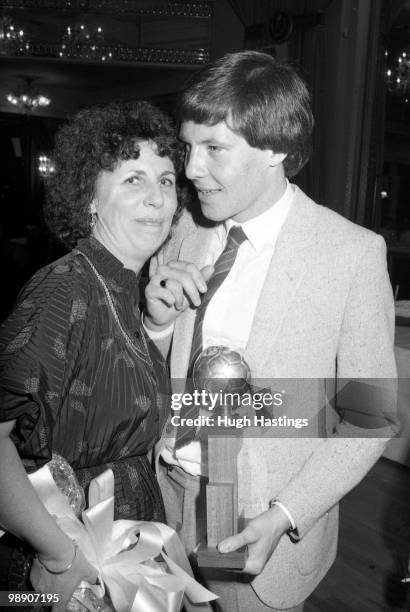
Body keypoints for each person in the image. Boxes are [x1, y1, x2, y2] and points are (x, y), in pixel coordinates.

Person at [143, 51, 398, 611]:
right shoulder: (185, 230)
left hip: (260, 529)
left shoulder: (351, 254)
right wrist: (156, 324)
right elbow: (152, 368)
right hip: (165, 499)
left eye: (214, 149)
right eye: (189, 147)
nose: (190, 170)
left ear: (276, 148)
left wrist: (285, 514)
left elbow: (370, 416)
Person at [0, 100, 185, 609]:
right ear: (90, 198)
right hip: (70, 551)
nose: (158, 198)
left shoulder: (128, 286)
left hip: (130, 542)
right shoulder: (63, 290)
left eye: (167, 180)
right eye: (133, 180)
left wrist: (159, 327)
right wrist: (60, 555)